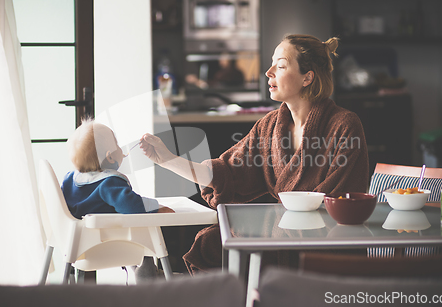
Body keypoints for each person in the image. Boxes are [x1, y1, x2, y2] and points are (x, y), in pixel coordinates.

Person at [140, 34, 369, 273]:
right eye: (272, 64)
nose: (268, 72)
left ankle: (182, 290)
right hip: (281, 235)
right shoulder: (270, 126)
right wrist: (167, 159)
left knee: (238, 249)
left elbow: (340, 203)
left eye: (281, 65)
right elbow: (224, 172)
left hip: (323, 243)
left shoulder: (343, 125)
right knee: (210, 243)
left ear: (307, 77)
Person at [62, 117, 174, 219]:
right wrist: (155, 208)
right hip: (109, 235)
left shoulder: (69, 178)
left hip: (81, 234)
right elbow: (131, 206)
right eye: (117, 144)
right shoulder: (109, 183)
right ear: (110, 157)